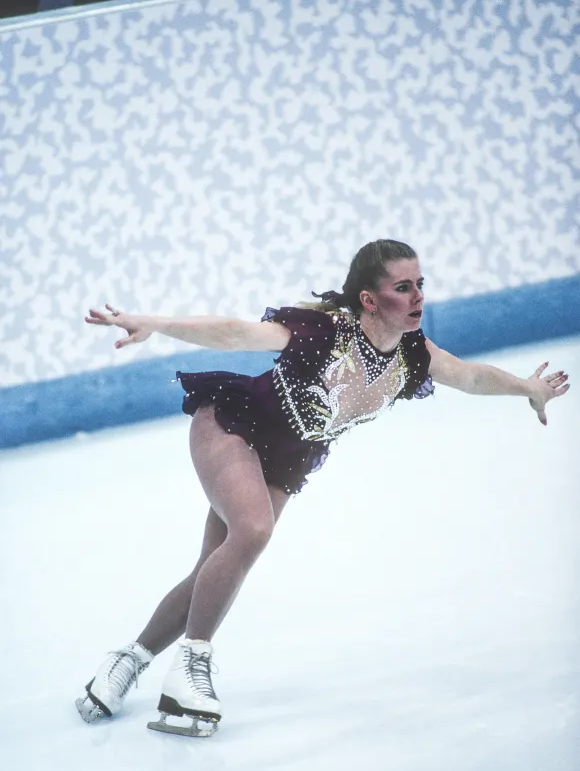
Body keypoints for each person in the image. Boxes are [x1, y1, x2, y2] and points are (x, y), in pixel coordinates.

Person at [76, 239, 570, 737]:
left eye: (420, 284)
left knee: (215, 568)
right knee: (252, 530)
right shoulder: (325, 333)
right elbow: (236, 332)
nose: (418, 296)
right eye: (403, 287)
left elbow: (470, 377)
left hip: (284, 461)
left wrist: (527, 388)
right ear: (369, 300)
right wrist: (157, 324)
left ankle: (125, 661)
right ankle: (190, 668)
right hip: (233, 426)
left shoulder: (412, 355)